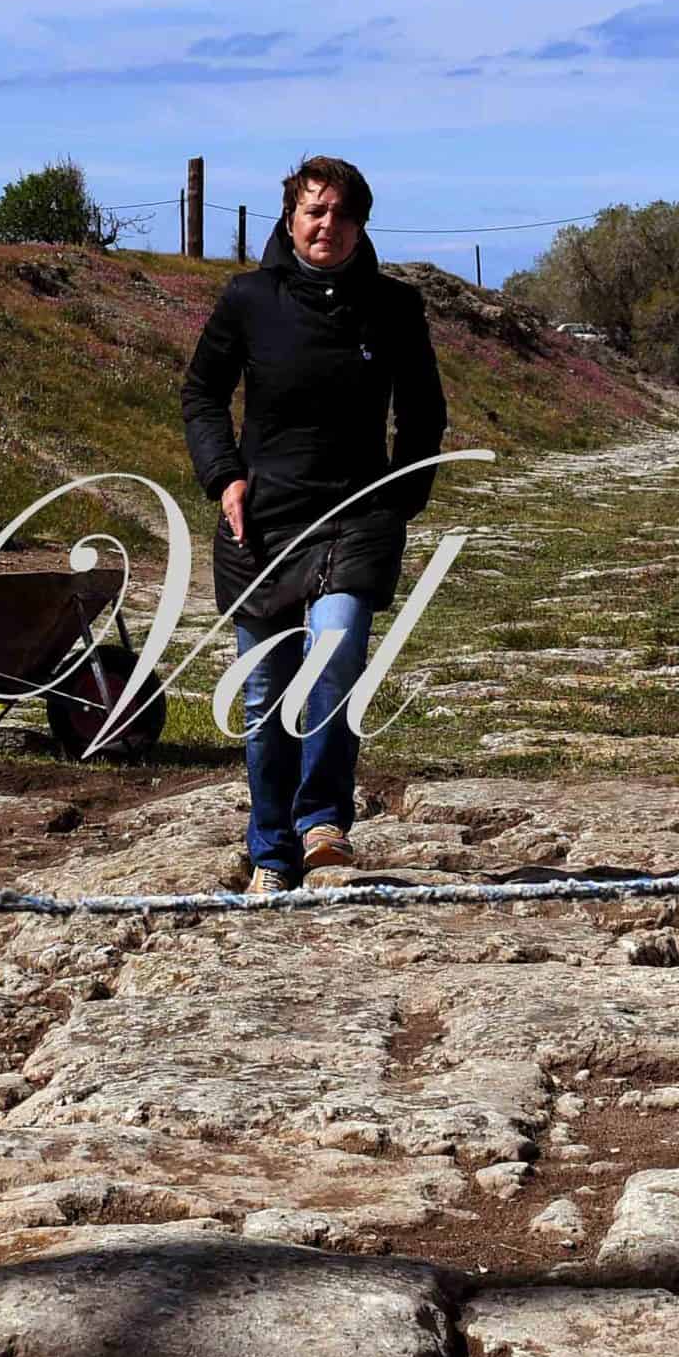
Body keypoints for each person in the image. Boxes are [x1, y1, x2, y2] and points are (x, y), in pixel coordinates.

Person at [181, 155, 448, 894]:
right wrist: (224, 476)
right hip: (262, 521)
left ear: (362, 223)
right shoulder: (247, 299)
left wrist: (402, 494)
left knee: (335, 656)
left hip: (356, 515)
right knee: (264, 693)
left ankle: (323, 826)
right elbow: (201, 393)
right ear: (291, 219)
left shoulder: (394, 307)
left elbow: (423, 411)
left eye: (342, 213)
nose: (328, 224)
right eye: (314, 211)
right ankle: (271, 853)